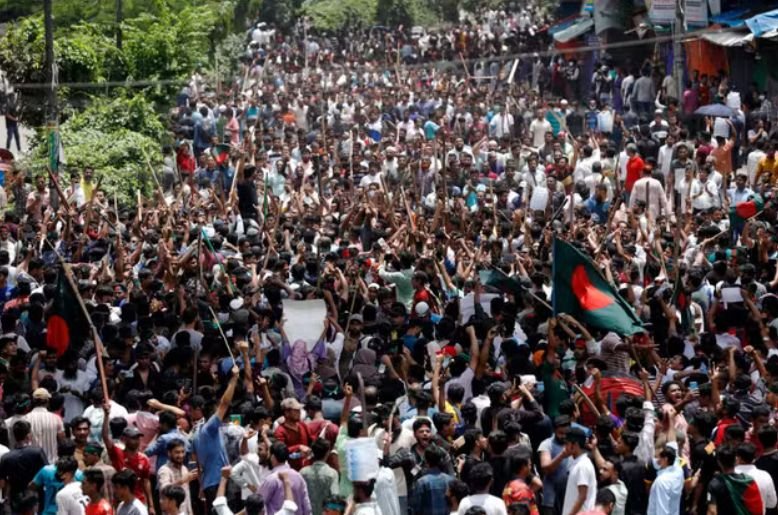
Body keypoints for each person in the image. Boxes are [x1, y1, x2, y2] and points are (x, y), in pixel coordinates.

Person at [0, 420, 47, 508]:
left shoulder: (6, 457)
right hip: (36, 497)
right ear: (28, 435)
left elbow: (2, 483)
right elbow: (46, 473)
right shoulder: (37, 452)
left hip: (16, 500)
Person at [561, 428, 596, 515]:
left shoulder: (582, 465)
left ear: (575, 445)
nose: (564, 447)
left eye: (566, 444)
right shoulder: (576, 462)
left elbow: (582, 496)